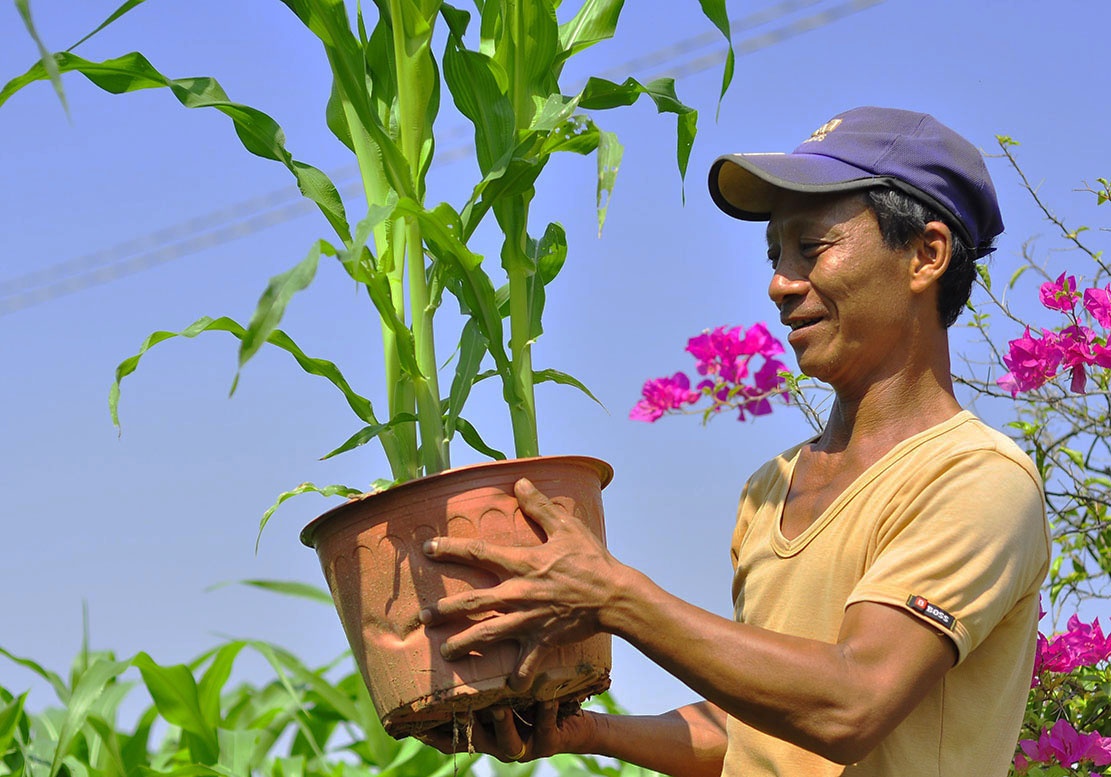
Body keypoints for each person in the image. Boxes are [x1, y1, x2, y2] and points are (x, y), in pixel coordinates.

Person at [416, 106, 1050, 776]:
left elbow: (850, 703)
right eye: (774, 253)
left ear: (925, 254)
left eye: (813, 247)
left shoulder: (976, 480)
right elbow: (754, 724)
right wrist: (584, 729)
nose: (779, 281)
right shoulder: (770, 486)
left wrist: (616, 598)